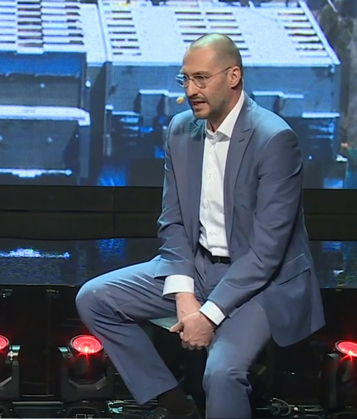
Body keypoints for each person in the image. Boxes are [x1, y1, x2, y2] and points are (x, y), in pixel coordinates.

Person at [75, 33, 324, 419]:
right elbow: (173, 221)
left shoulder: (274, 139)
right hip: (198, 266)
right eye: (185, 79)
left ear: (233, 76)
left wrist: (208, 315)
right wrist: (184, 294)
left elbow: (266, 252)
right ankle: (175, 404)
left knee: (222, 374)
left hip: (261, 283)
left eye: (201, 79)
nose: (190, 90)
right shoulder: (180, 130)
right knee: (94, 298)